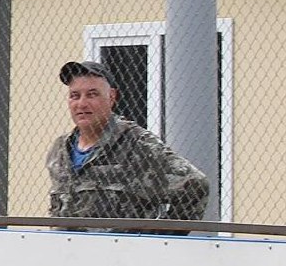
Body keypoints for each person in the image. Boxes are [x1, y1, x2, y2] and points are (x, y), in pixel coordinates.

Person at [45, 60, 210, 224]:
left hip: (121, 249)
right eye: (75, 96)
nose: (81, 103)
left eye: (92, 94)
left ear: (111, 97)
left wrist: (162, 236)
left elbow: (196, 186)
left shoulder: (137, 144)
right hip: (66, 248)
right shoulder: (60, 150)